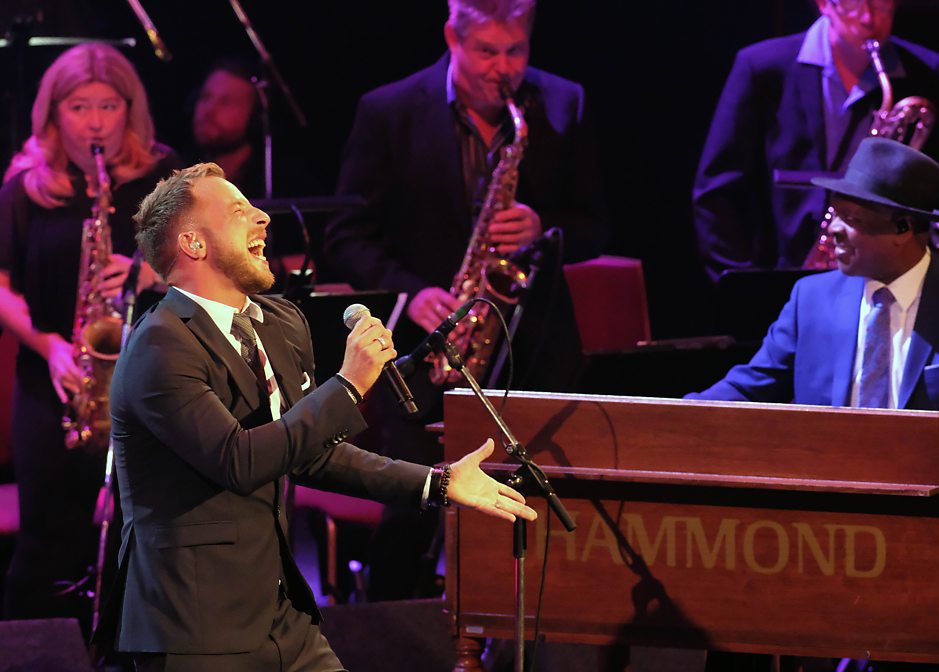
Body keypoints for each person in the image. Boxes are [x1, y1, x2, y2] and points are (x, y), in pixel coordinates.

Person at [93, 162, 537, 670]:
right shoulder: (160, 344)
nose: (262, 218)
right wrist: (348, 384)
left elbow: (309, 453)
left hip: (284, 617)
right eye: (238, 211)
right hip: (195, 627)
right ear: (193, 244)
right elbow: (237, 460)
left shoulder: (279, 322)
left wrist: (436, 482)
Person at [322, 0, 608, 601]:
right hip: (427, 354)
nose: (503, 68)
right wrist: (410, 292)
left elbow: (597, 225)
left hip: (535, 350)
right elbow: (345, 236)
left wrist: (544, 228)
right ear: (452, 38)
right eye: (486, 51)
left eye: (516, 51)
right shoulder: (388, 110)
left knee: (538, 515)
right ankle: (395, 630)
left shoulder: (564, 102)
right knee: (412, 516)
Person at [692, 137, 939, 671]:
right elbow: (749, 387)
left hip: (932, 535)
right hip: (821, 533)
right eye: (834, 213)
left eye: (853, 219)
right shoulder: (810, 299)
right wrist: (673, 416)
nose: (832, 230)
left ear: (903, 229)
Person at [0, 42, 182, 628]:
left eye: (109, 106)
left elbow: (213, 266)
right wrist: (49, 346)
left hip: (152, 382)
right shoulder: (26, 186)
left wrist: (148, 273)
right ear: (54, 112)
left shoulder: (164, 178)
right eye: (79, 107)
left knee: (146, 540)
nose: (96, 122)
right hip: (53, 380)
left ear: (131, 109)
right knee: (45, 545)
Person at [693, 0, 939, 283]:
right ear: (825, 4)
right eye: (854, 4)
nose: (868, 18)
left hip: (879, 278)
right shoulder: (762, 67)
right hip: (779, 273)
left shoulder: (924, 72)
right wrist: (743, 283)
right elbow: (716, 191)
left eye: (881, 4)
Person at [189, 58, 264, 199]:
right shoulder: (179, 171)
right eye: (206, 97)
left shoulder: (274, 181)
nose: (209, 110)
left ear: (254, 116)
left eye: (226, 102)